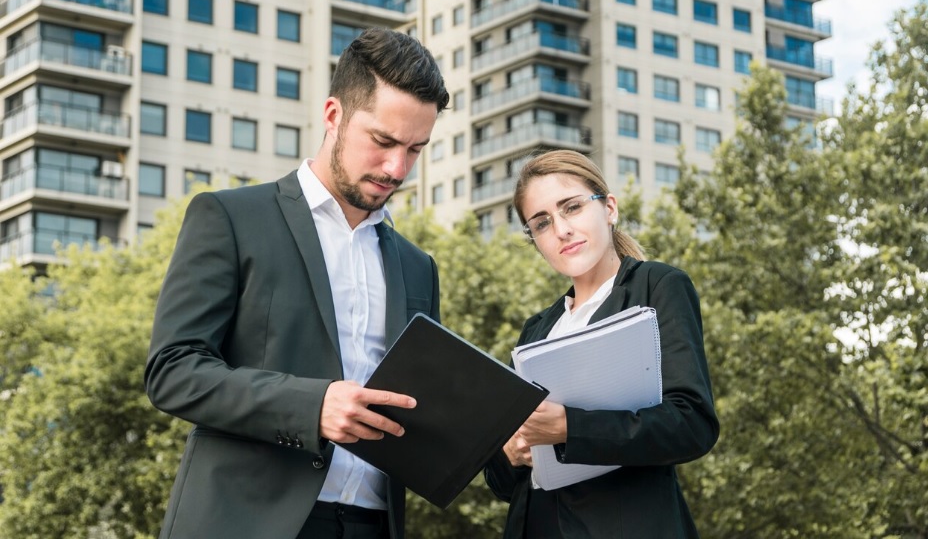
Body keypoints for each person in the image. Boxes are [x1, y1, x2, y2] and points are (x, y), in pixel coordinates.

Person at [145, 27, 449, 539]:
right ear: (334, 116)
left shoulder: (419, 267)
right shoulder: (229, 218)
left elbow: (421, 406)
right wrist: (313, 407)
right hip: (246, 522)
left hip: (374, 525)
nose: (397, 167)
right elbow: (173, 372)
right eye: (383, 141)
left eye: (416, 149)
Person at [484, 149, 719, 538]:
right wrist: (509, 455)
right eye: (541, 223)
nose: (561, 230)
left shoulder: (657, 286)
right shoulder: (537, 330)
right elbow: (502, 483)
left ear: (608, 208)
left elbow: (692, 424)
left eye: (572, 208)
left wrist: (569, 427)